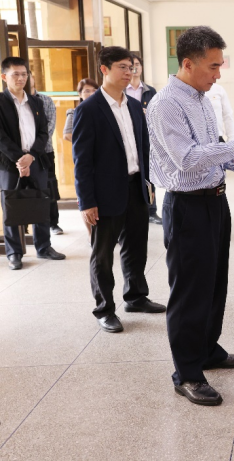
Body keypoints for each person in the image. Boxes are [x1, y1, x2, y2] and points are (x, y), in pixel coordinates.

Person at [147, 26, 234, 407]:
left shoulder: (202, 98)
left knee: (215, 283)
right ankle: (187, 373)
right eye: (213, 66)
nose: (219, 74)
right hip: (187, 207)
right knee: (189, 292)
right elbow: (185, 159)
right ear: (188, 63)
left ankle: (207, 351)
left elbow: (207, 149)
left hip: (215, 201)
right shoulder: (166, 103)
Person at [73, 47, 166, 333]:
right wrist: (86, 202)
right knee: (102, 255)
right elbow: (82, 161)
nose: (129, 72)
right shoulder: (88, 110)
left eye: (132, 67)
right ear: (104, 69)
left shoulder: (135, 106)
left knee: (136, 247)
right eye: (123, 67)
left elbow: (144, 150)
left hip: (136, 187)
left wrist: (148, 183)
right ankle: (104, 309)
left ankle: (135, 297)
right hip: (104, 194)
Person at [0, 57, 65, 270]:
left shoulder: (36, 102)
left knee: (41, 202)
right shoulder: (1, 102)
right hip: (10, 164)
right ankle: (14, 253)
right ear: (4, 77)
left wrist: (31, 156)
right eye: (15, 74)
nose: (21, 78)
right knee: (11, 206)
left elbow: (44, 132)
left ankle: (44, 247)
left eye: (24, 74)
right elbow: (1, 137)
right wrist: (19, 158)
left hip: (36, 160)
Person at [126, 54, 162, 225]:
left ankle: (151, 209)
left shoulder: (150, 91)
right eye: (131, 65)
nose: (135, 68)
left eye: (137, 64)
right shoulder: (123, 90)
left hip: (147, 137)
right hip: (129, 135)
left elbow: (157, 114)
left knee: (149, 170)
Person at [65, 78, 98, 241]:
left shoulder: (102, 110)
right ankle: (91, 235)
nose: (91, 94)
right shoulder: (74, 111)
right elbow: (67, 134)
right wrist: (85, 141)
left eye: (94, 90)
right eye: (86, 91)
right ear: (80, 94)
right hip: (84, 159)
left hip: (101, 161)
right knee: (85, 199)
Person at [29, 78, 61, 235]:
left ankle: (53, 223)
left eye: (26, 75)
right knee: (23, 191)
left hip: (44, 152)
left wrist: (33, 149)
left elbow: (49, 127)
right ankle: (25, 226)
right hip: (20, 155)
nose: (23, 78)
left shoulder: (45, 100)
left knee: (49, 188)